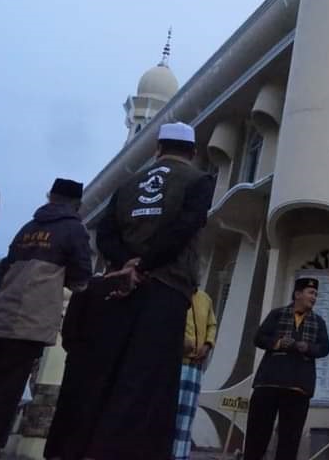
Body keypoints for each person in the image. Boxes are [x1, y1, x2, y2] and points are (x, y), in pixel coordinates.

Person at [85, 122, 215, 460]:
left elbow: (105, 234)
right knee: (153, 379)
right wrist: (145, 266)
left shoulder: (128, 184)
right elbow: (184, 228)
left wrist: (126, 264)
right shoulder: (199, 181)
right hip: (167, 288)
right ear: (193, 153)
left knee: (113, 371)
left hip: (122, 288)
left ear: (158, 149)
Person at [0, 177, 91, 460]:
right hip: (29, 324)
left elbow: (4, 269)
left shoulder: (29, 228)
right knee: (4, 397)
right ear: (78, 205)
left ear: (50, 197)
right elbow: (81, 277)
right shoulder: (74, 229)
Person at [245, 276, 329, 460]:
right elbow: (259, 338)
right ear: (298, 294)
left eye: (316, 294)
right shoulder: (277, 314)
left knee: (289, 441)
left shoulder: (319, 322)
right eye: (311, 293)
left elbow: (325, 348)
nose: (314, 297)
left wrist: (306, 347)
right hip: (268, 383)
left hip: (298, 387)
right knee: (256, 437)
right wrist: (278, 343)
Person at [44, 274, 112, 460]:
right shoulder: (107, 288)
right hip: (97, 362)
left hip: (80, 358)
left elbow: (69, 327)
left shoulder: (91, 285)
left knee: (68, 410)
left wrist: (73, 348)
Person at [173, 287, 218, 460]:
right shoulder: (175, 293)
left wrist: (207, 344)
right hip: (175, 365)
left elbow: (211, 325)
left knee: (186, 416)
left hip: (195, 368)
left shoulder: (205, 298)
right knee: (169, 413)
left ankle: (180, 455)